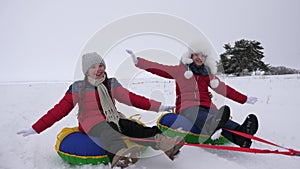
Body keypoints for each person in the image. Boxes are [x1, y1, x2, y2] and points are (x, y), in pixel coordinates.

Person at [17, 52, 183, 168]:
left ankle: (165, 144)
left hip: (113, 117)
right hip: (91, 123)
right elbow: (59, 110)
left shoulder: (111, 83)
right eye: (93, 66)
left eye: (101, 65)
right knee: (108, 132)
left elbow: (132, 98)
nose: (99, 69)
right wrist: (36, 128)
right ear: (86, 71)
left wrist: (158, 106)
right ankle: (120, 157)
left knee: (134, 128)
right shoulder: (78, 88)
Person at [126, 48, 259, 148]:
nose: (199, 58)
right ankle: (211, 127)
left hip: (208, 106)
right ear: (190, 56)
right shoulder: (180, 71)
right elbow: (160, 68)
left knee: (218, 117)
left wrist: (244, 99)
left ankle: (240, 135)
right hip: (187, 107)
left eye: (203, 56)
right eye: (197, 54)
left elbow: (224, 89)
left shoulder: (207, 75)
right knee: (199, 114)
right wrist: (139, 62)